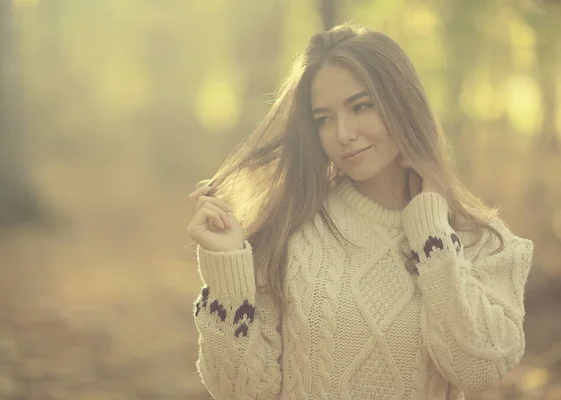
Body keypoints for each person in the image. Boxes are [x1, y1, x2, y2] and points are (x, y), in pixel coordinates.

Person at [186, 23, 534, 400]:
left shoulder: (482, 239)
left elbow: (478, 368)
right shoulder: (290, 230)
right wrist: (227, 273)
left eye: (360, 106)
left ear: (402, 103)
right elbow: (240, 392)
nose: (343, 133)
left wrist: (430, 231)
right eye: (324, 119)